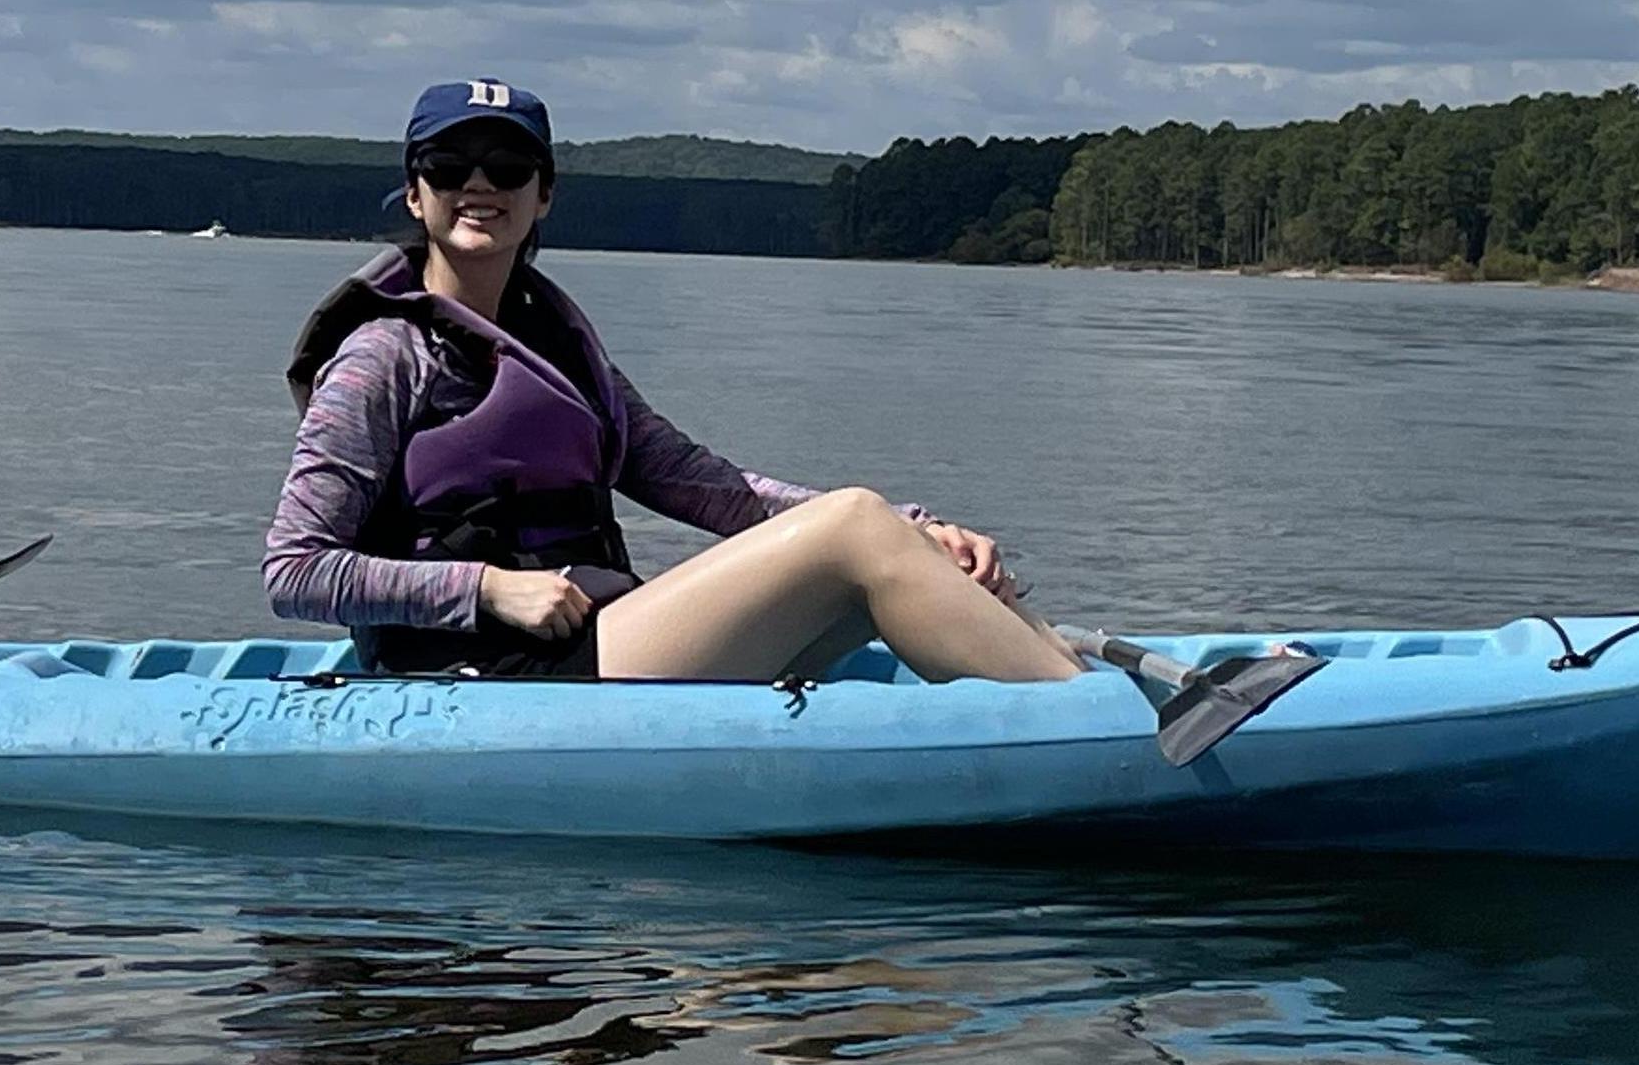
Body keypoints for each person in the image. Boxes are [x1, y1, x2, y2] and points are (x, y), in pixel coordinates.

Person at [265, 79, 1083, 688]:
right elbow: (295, 571)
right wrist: (485, 589)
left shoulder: (558, 351)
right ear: (415, 191)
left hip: (586, 644)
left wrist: (920, 531)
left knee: (881, 540)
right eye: (450, 166)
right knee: (855, 524)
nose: (480, 185)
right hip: (482, 668)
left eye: (509, 166)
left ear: (543, 194)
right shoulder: (383, 356)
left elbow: (716, 490)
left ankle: (1078, 688)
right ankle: (1090, 722)